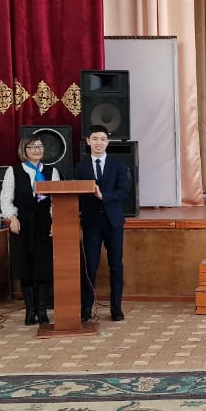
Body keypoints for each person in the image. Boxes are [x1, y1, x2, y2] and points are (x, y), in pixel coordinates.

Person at [0, 134, 61, 326]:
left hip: (44, 223)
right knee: (25, 266)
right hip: (23, 223)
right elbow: (6, 198)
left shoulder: (51, 171)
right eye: (33, 147)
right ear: (24, 150)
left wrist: (55, 221)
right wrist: (12, 217)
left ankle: (42, 311)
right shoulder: (14, 171)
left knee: (43, 266)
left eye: (40, 146)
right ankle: (30, 311)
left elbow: (57, 201)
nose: (37, 150)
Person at [75, 125, 133, 323]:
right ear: (88, 141)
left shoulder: (118, 164)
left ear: (107, 142)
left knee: (116, 265)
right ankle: (86, 307)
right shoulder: (81, 166)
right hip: (91, 223)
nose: (98, 142)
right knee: (89, 267)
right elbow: (76, 193)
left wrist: (103, 196)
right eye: (94, 139)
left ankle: (116, 307)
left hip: (113, 222)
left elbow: (124, 191)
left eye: (102, 139)